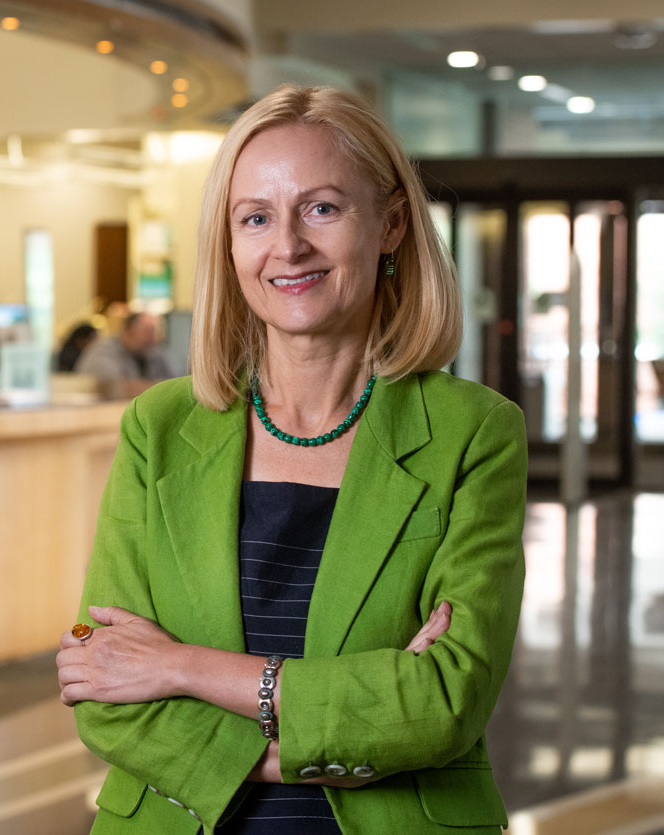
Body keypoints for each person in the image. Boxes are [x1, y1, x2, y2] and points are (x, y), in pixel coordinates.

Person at [55, 84, 527, 835]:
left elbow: (442, 699)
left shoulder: (474, 431)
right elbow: (95, 669)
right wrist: (352, 717)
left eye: (323, 208)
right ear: (230, 242)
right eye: (256, 218)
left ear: (392, 224)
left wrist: (181, 667)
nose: (288, 247)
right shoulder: (160, 425)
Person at [77, 311, 178, 397]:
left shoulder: (154, 352)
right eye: (147, 332)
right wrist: (161, 388)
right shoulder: (102, 352)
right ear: (129, 331)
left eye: (156, 332)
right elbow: (115, 388)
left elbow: (178, 382)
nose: (152, 339)